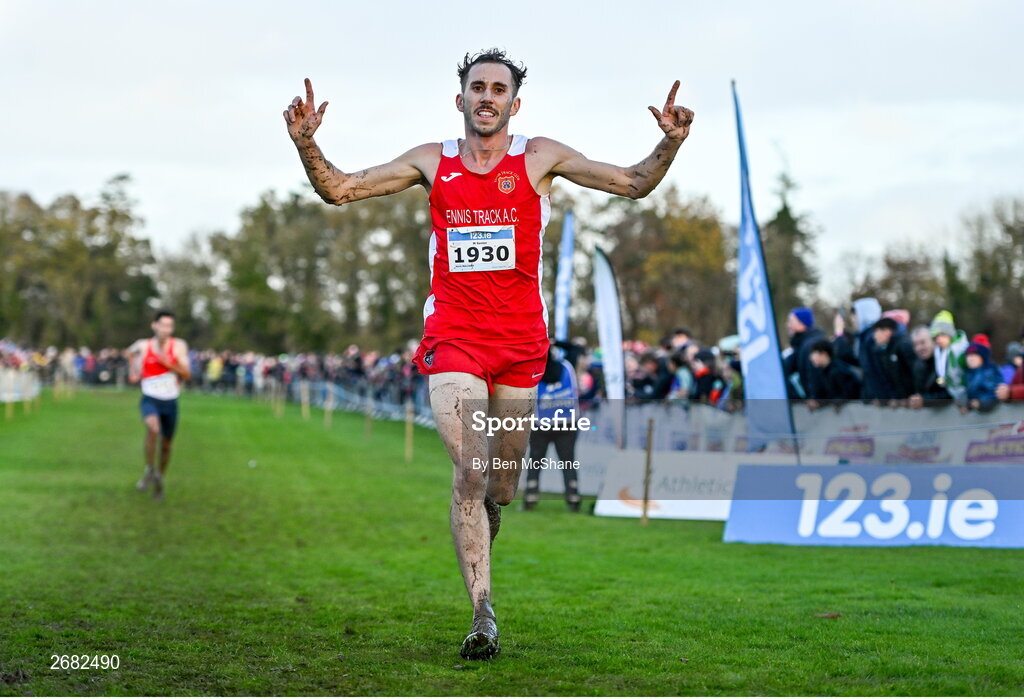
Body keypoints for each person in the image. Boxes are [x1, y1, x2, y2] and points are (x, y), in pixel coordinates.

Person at [283, 49, 694, 660]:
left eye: (499, 89)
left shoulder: (539, 158)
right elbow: (340, 190)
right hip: (454, 337)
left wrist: (671, 143)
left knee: (501, 484)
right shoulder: (433, 162)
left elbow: (632, 183)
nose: (487, 96)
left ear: (513, 103)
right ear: (460, 99)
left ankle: (485, 516)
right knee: (469, 472)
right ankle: (482, 613)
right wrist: (306, 144)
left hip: (521, 346)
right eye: (478, 86)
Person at [126, 311, 191, 500]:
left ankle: (159, 477)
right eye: (163, 325)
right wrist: (134, 370)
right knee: (153, 428)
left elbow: (187, 374)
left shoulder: (178, 346)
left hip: (170, 401)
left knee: (167, 444)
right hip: (150, 398)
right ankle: (148, 469)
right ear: (154, 325)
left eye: (170, 326)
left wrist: (169, 364)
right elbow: (130, 353)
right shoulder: (143, 345)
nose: (166, 329)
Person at [523, 348, 582, 512]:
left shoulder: (535, 370)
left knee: (535, 461)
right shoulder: (567, 367)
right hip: (567, 422)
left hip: (541, 422)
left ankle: (531, 495)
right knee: (568, 461)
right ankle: (573, 496)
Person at [782, 306, 825, 399]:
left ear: (802, 323)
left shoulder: (811, 345)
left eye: (791, 321)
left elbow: (815, 376)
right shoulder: (799, 346)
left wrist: (815, 398)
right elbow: (784, 368)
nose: (788, 325)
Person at [806, 339, 861, 407]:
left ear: (824, 354)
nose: (811, 358)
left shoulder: (838, 371)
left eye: (813, 353)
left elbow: (847, 395)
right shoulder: (824, 372)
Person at [908, 325, 951, 409]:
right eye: (915, 344)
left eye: (922, 343)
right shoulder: (918, 366)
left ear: (934, 342)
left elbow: (950, 393)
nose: (919, 348)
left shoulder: (946, 360)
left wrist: (926, 400)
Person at [963, 341, 1004, 412]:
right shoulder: (969, 373)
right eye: (968, 356)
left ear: (982, 358)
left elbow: (993, 394)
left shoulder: (989, 372)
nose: (970, 359)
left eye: (974, 356)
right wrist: (967, 405)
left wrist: (980, 403)